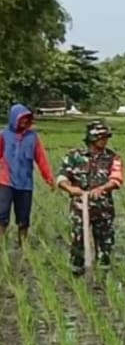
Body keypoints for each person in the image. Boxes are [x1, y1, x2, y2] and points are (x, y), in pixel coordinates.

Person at [56, 120, 125, 275]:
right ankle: (77, 274)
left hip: (104, 208)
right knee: (78, 240)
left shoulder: (113, 158)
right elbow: (62, 177)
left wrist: (102, 188)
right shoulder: (74, 156)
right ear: (92, 138)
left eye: (106, 137)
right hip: (80, 207)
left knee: (105, 242)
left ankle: (103, 276)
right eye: (102, 137)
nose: (105, 140)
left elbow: (116, 179)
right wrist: (71, 189)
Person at [0, 103, 56, 246]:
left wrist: (49, 178)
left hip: (25, 183)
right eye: (22, 118)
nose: (24, 121)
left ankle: (23, 246)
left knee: (23, 219)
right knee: (2, 215)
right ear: (14, 118)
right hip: (5, 181)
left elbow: (41, 159)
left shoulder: (33, 138)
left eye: (27, 118)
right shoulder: (3, 136)